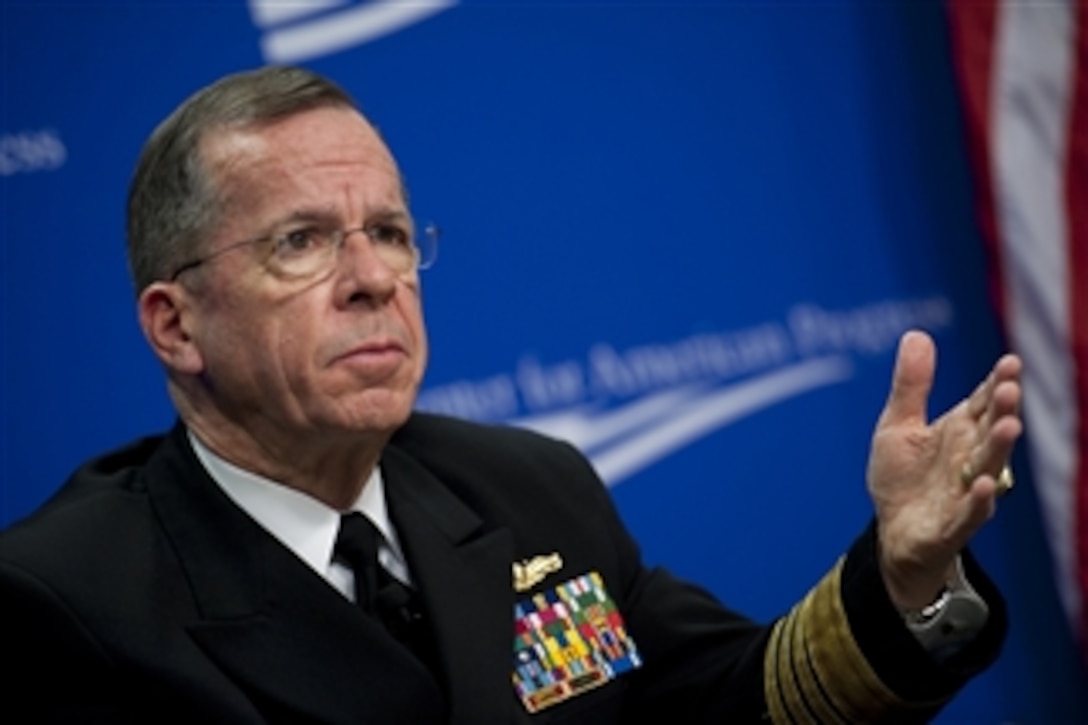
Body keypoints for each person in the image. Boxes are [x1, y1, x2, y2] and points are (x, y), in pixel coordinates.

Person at [0, 66, 1023, 724]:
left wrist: (899, 577)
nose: (373, 278)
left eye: (391, 233)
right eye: (300, 241)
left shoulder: (523, 491)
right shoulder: (66, 603)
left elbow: (720, 703)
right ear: (176, 324)